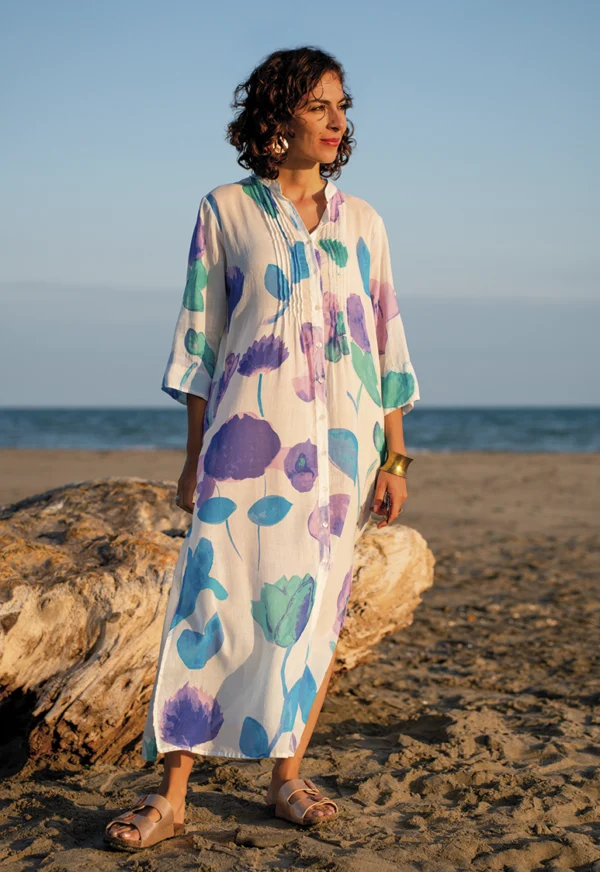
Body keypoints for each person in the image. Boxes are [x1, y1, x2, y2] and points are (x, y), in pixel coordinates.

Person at [104, 44, 420, 851]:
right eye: (319, 105)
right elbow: (201, 345)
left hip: (342, 459)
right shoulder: (225, 211)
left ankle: (287, 777)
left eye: (342, 106)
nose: (336, 121)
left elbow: (386, 342)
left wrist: (395, 456)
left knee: (313, 617)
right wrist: (191, 453)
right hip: (246, 451)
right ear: (276, 116)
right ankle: (173, 794)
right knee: (212, 605)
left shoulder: (368, 223)